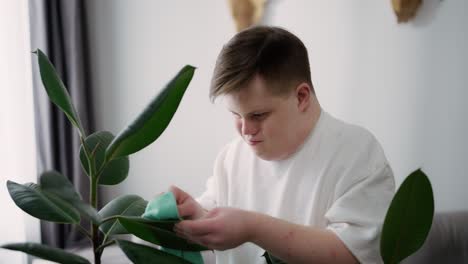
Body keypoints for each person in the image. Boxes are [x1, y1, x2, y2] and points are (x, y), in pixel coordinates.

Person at [170, 26, 395, 264]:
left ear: (301, 97)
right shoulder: (230, 157)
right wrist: (195, 213)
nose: (245, 131)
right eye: (236, 114)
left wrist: (253, 228)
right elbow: (214, 217)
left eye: (258, 115)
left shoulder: (358, 154)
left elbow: (355, 255)